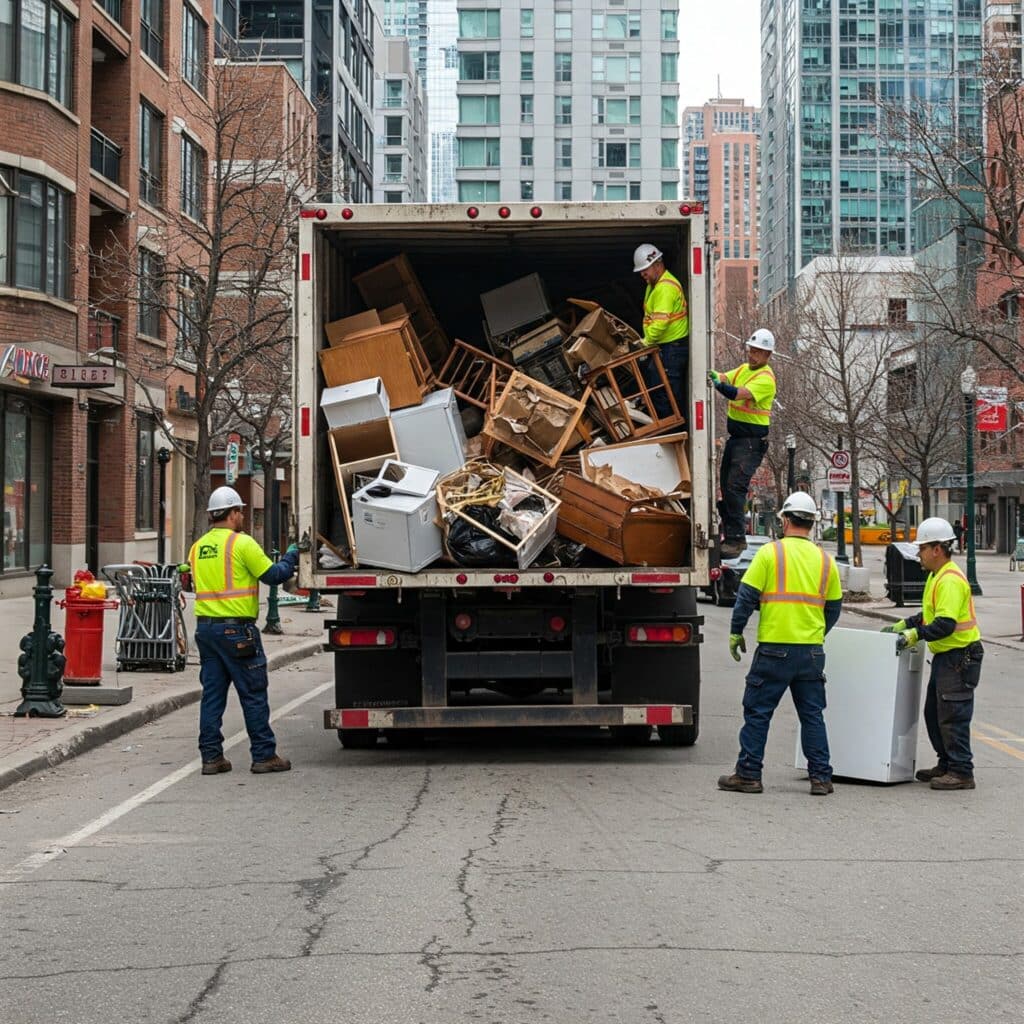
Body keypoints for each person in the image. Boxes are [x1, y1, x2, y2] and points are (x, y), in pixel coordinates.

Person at [719, 492, 843, 796]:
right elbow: (834, 608)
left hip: (774, 649)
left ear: (785, 520)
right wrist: (815, 634)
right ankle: (821, 778)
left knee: (758, 712)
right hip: (811, 652)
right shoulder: (826, 562)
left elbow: (746, 597)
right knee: (812, 714)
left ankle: (748, 774)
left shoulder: (770, 554)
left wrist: (736, 631)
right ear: (813, 523)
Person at [189, 485, 299, 776]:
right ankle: (264, 755)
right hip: (236, 631)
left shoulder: (198, 547)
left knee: (212, 696)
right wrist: (292, 554)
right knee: (253, 693)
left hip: (206, 631)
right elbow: (275, 575)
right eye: (241, 511)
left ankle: (211, 758)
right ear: (234, 513)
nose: (243, 517)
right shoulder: (242, 543)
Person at [881, 517, 982, 791]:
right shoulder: (937, 577)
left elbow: (945, 624)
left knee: (952, 714)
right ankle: (947, 763)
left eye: (922, 548)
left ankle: (961, 771)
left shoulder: (949, 580)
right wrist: (906, 624)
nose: (919, 554)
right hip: (948, 657)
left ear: (937, 549)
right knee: (934, 713)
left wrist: (915, 635)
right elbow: (929, 616)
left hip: (959, 657)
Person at [708, 329, 777, 558]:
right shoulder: (743, 369)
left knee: (736, 488)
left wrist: (717, 384)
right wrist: (715, 375)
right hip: (737, 439)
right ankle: (730, 533)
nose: (752, 355)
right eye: (751, 350)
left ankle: (737, 540)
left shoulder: (765, 379)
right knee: (727, 488)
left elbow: (737, 393)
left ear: (768, 354)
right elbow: (724, 376)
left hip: (751, 442)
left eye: (758, 351)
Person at [633, 243, 689, 419]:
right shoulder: (655, 285)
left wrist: (645, 343)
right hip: (666, 348)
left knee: (666, 393)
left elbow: (659, 324)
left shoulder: (665, 288)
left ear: (657, 264)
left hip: (672, 348)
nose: (642, 274)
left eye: (645, 270)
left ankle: (669, 431)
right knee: (657, 385)